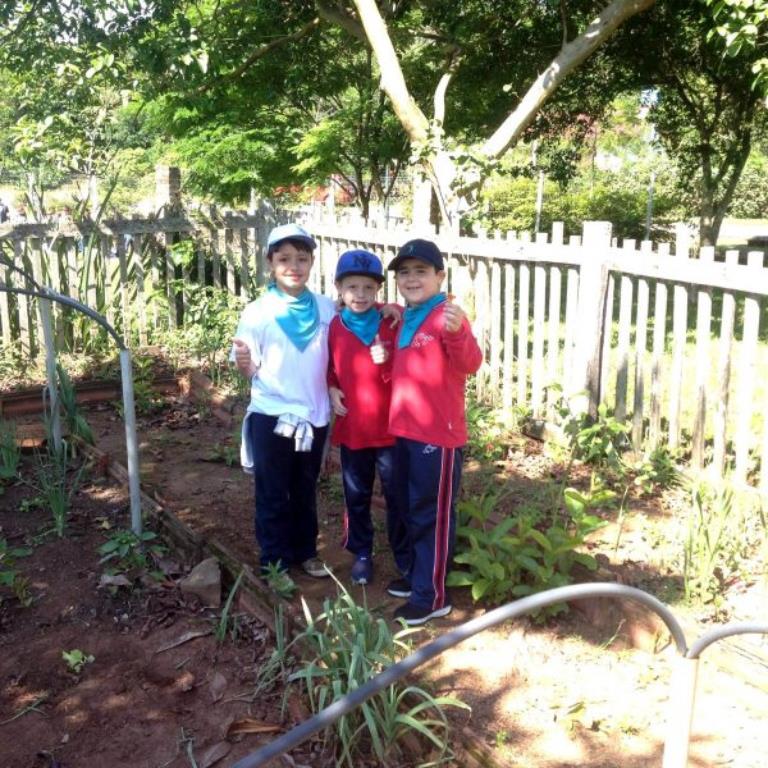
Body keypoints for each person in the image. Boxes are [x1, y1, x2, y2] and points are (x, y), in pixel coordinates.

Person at [386, 238, 483, 626]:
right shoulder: (410, 315)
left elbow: (471, 363)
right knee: (408, 507)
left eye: (421, 271)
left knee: (432, 514)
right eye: (404, 273)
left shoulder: (447, 316)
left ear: (440, 276)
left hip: (437, 437)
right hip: (405, 430)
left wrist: (458, 332)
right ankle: (417, 577)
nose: (412, 279)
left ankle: (432, 597)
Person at [231, 222, 334, 580]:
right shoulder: (257, 312)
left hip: (314, 415)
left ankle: (306, 552)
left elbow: (358, 320)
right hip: (272, 414)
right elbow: (249, 367)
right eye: (284, 258)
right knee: (272, 491)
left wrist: (387, 310)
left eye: (301, 258)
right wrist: (244, 363)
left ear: (311, 262)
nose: (294, 266)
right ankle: (273, 562)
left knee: (305, 488)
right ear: (270, 263)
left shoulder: (327, 308)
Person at [327, 249, 408, 587]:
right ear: (339, 288)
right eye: (352, 287)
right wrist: (332, 388)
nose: (360, 295)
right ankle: (362, 552)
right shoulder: (335, 325)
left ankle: (404, 556)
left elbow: (412, 364)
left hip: (390, 428)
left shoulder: (392, 321)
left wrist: (387, 359)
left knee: (397, 495)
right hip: (354, 428)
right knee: (356, 493)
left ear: (378, 290)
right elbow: (331, 367)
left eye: (368, 288)